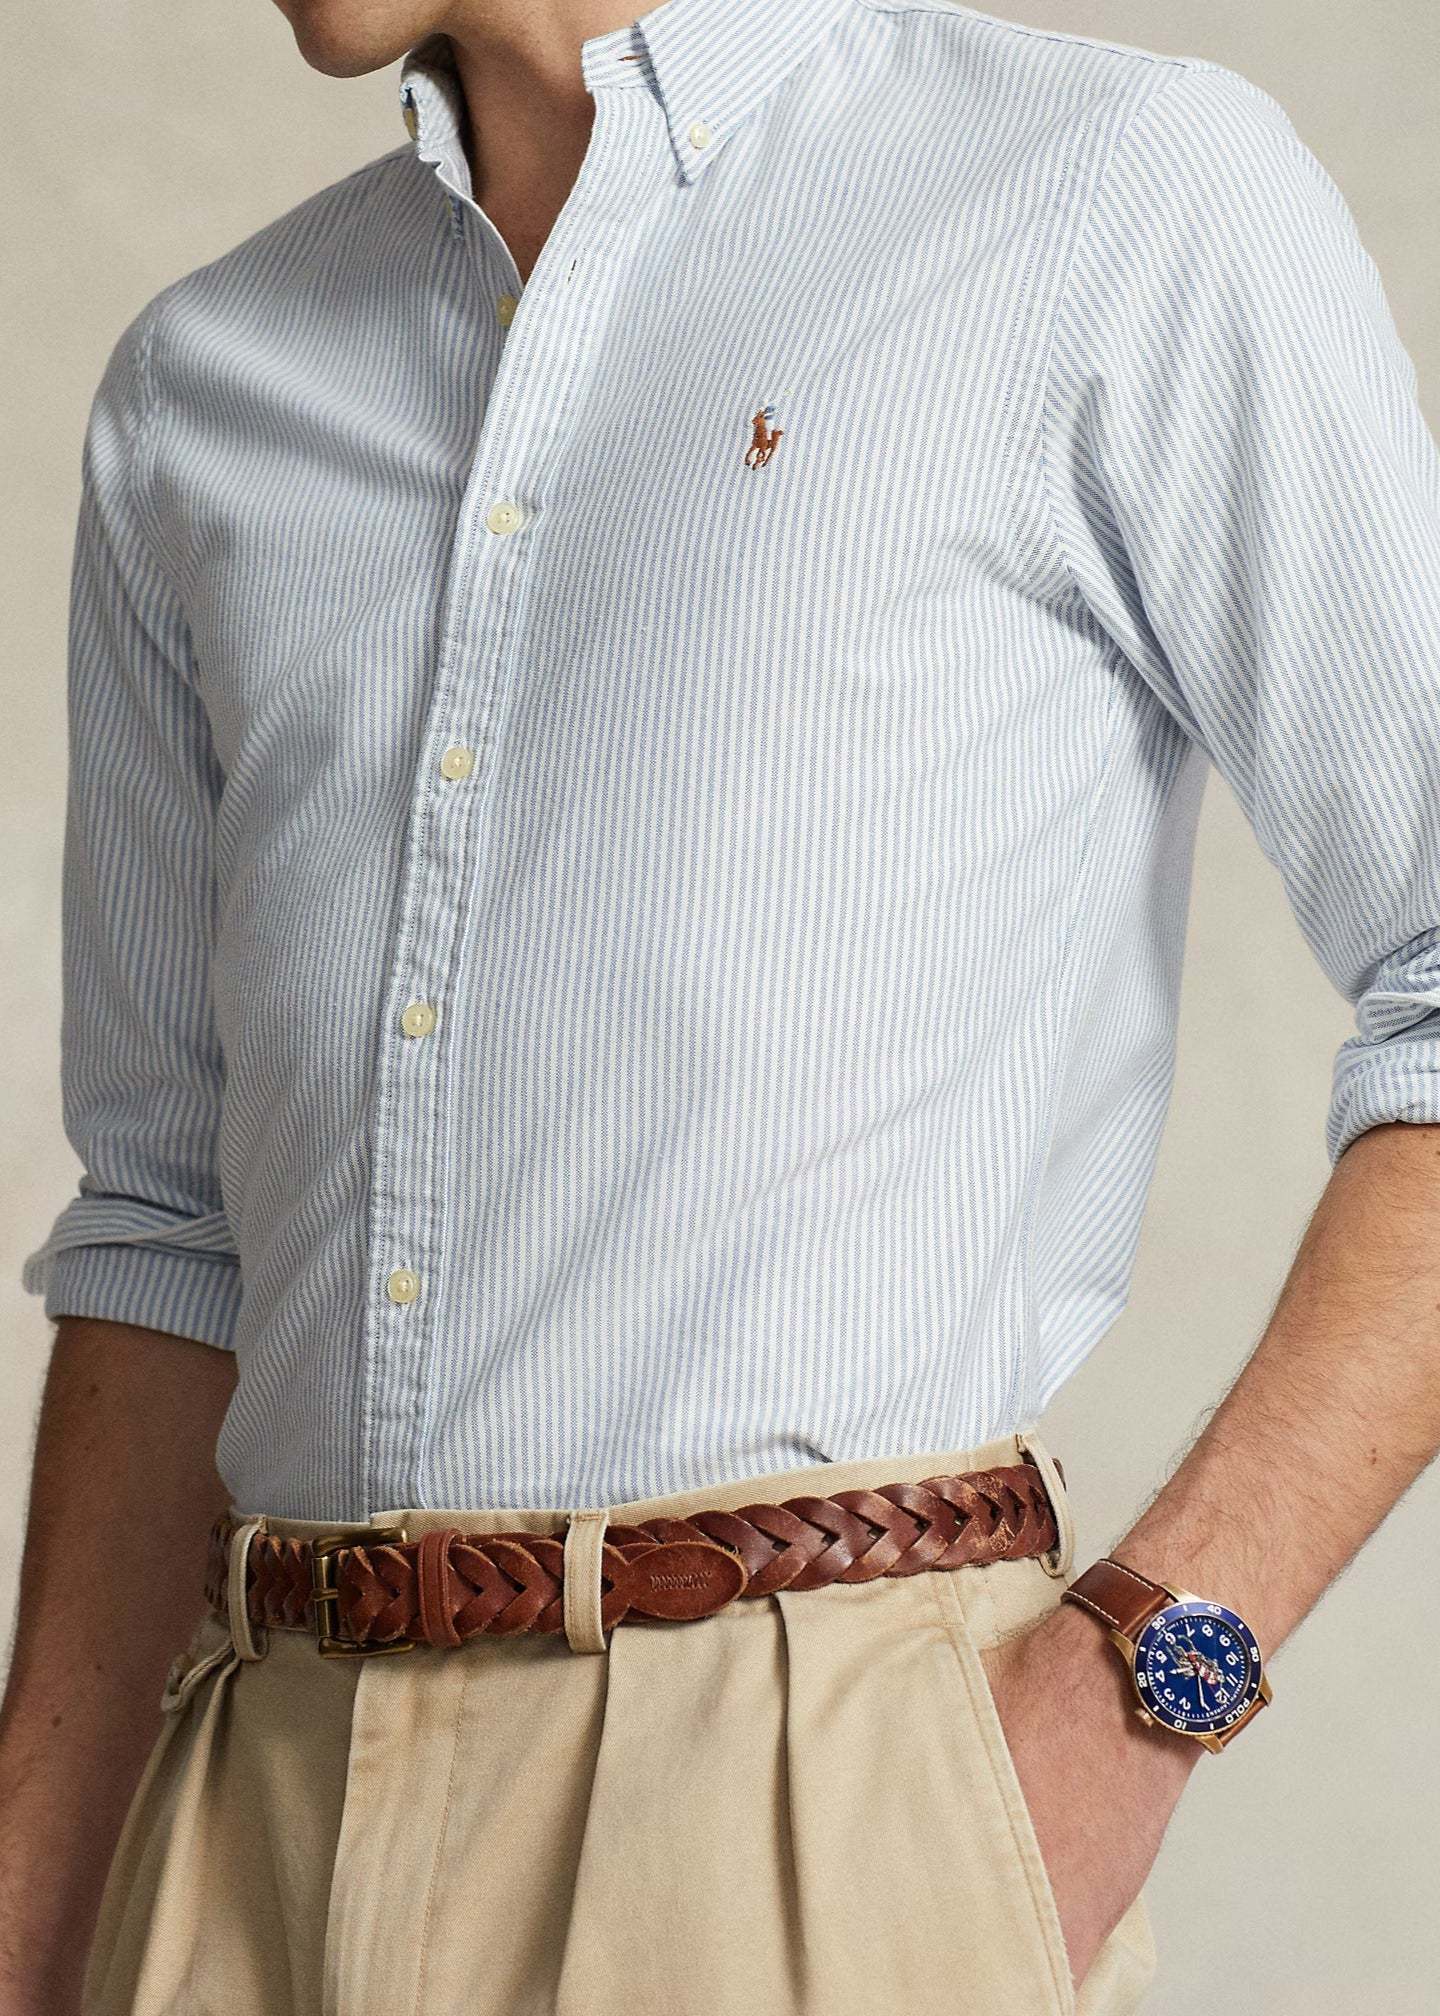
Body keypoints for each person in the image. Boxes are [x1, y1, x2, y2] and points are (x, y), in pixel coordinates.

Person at [4, 0, 1440, 2009]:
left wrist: (1133, 1694)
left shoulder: (1110, 194)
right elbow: (175, 1238)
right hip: (237, 1821)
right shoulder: (208, 388)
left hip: (809, 1819)